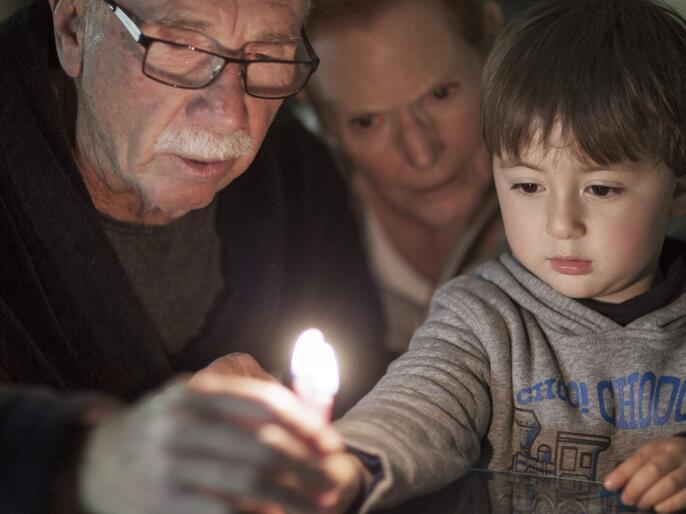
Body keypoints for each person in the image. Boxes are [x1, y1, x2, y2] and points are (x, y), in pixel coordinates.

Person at [245, 0, 686, 512]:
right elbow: (421, 403)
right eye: (526, 185)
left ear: (678, 191)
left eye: (603, 189)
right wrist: (348, 462)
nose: (561, 224)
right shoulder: (481, 318)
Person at [0, 0, 387, 511]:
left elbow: (364, 390)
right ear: (73, 28)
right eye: (182, 46)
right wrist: (93, 461)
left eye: (269, 54)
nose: (228, 112)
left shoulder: (296, 177)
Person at [301, 0, 508, 356]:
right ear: (317, 113)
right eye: (367, 121)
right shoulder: (298, 240)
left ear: (489, 46)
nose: (421, 153)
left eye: (440, 94)